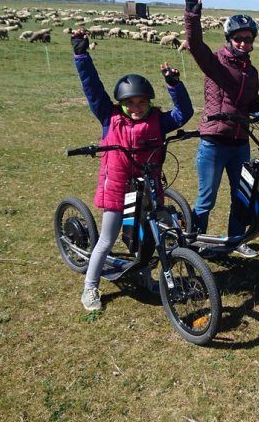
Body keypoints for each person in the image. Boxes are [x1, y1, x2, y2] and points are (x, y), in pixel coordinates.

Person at [71, 30, 194, 311]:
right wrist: (81, 55)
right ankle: (90, 287)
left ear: (149, 102)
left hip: (149, 187)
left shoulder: (159, 121)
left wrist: (174, 85)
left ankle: (143, 274)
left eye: (140, 102)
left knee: (148, 237)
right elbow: (92, 87)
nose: (135, 107)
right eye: (130, 103)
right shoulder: (109, 117)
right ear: (121, 104)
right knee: (107, 239)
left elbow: (183, 113)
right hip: (117, 187)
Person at [183, 0, 259, 258]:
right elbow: (195, 45)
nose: (243, 43)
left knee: (241, 194)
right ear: (230, 38)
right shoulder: (216, 62)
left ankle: (235, 239)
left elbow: (250, 105)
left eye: (248, 38)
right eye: (238, 38)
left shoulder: (250, 72)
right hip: (215, 141)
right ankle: (191, 245)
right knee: (206, 199)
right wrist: (192, 13)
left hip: (240, 140)